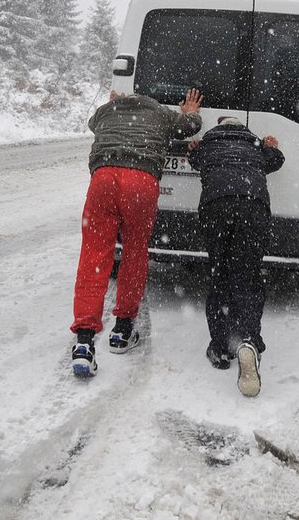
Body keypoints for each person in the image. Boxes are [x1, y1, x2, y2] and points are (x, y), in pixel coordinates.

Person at [70, 88, 203, 378]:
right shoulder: (159, 112)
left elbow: (94, 124)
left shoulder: (107, 112)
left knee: (94, 257)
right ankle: (123, 330)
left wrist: (115, 105)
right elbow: (190, 127)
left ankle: (83, 342)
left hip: (103, 179)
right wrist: (190, 112)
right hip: (140, 182)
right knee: (134, 252)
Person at [187, 116, 284, 397]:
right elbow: (277, 161)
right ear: (242, 127)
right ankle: (249, 341)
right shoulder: (254, 144)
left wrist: (193, 149)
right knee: (248, 276)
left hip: (216, 206)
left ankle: (219, 347)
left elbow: (193, 160)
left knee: (220, 274)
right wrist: (271, 146)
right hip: (253, 206)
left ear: (218, 125)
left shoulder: (208, 144)